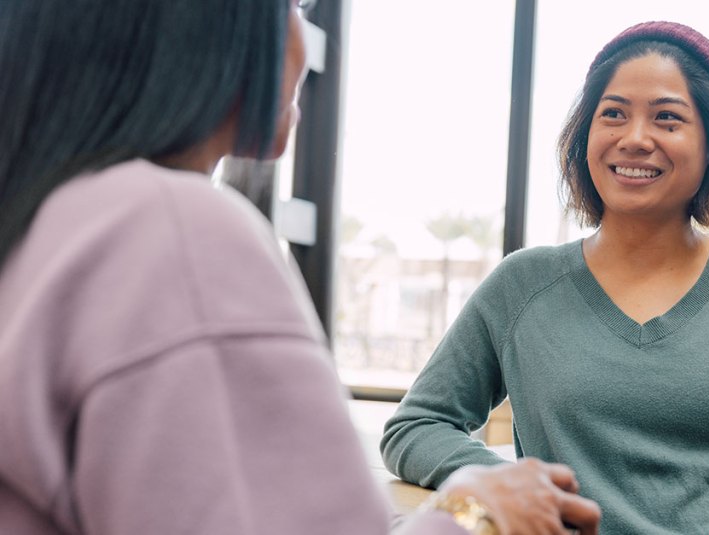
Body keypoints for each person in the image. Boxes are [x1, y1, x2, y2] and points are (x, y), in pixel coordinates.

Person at [0, 1, 600, 534]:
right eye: (291, 6)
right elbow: (418, 424)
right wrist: (478, 513)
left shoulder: (45, 225)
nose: (307, 41)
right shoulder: (171, 231)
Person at [381, 20, 709, 534]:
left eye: (667, 119)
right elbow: (415, 426)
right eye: (613, 114)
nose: (634, 139)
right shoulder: (522, 285)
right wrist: (509, 484)